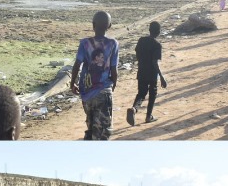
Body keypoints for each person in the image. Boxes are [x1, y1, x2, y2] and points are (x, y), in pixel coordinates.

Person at [71, 11, 119, 140]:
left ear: (93, 25)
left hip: (86, 92)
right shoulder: (113, 44)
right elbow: (113, 68)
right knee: (103, 131)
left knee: (91, 126)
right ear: (109, 26)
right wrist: (113, 83)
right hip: (103, 90)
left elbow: (77, 65)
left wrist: (72, 83)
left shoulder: (85, 43)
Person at [127, 21, 168, 126]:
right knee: (152, 93)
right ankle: (148, 116)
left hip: (141, 71)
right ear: (159, 32)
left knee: (141, 93)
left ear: (149, 30)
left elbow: (137, 54)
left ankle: (134, 109)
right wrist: (161, 77)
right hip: (152, 73)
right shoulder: (157, 45)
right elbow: (155, 62)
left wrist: (142, 62)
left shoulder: (141, 40)